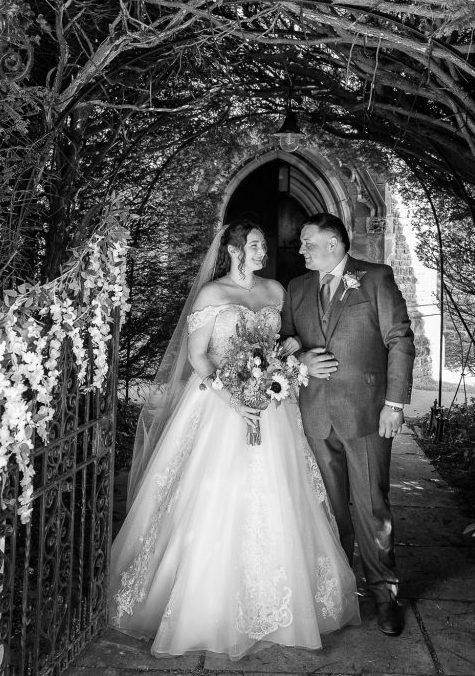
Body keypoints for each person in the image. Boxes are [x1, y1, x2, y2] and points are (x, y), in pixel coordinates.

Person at [109, 219, 360, 661]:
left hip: (272, 407)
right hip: (219, 406)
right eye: (255, 246)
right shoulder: (212, 295)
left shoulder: (276, 291)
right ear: (233, 250)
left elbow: (285, 341)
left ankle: (283, 604)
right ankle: (204, 604)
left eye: (263, 246)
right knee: (214, 496)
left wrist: (285, 360)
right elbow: (198, 356)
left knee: (280, 495)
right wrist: (234, 399)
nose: (263, 252)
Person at [281, 212, 415, 637]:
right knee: (329, 509)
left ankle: (384, 595)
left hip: (367, 413)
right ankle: (338, 593)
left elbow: (400, 340)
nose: (301, 249)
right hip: (316, 415)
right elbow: (285, 342)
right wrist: (301, 359)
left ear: (334, 243)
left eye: (308, 242)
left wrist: (394, 404)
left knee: (372, 505)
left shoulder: (375, 278)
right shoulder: (296, 288)